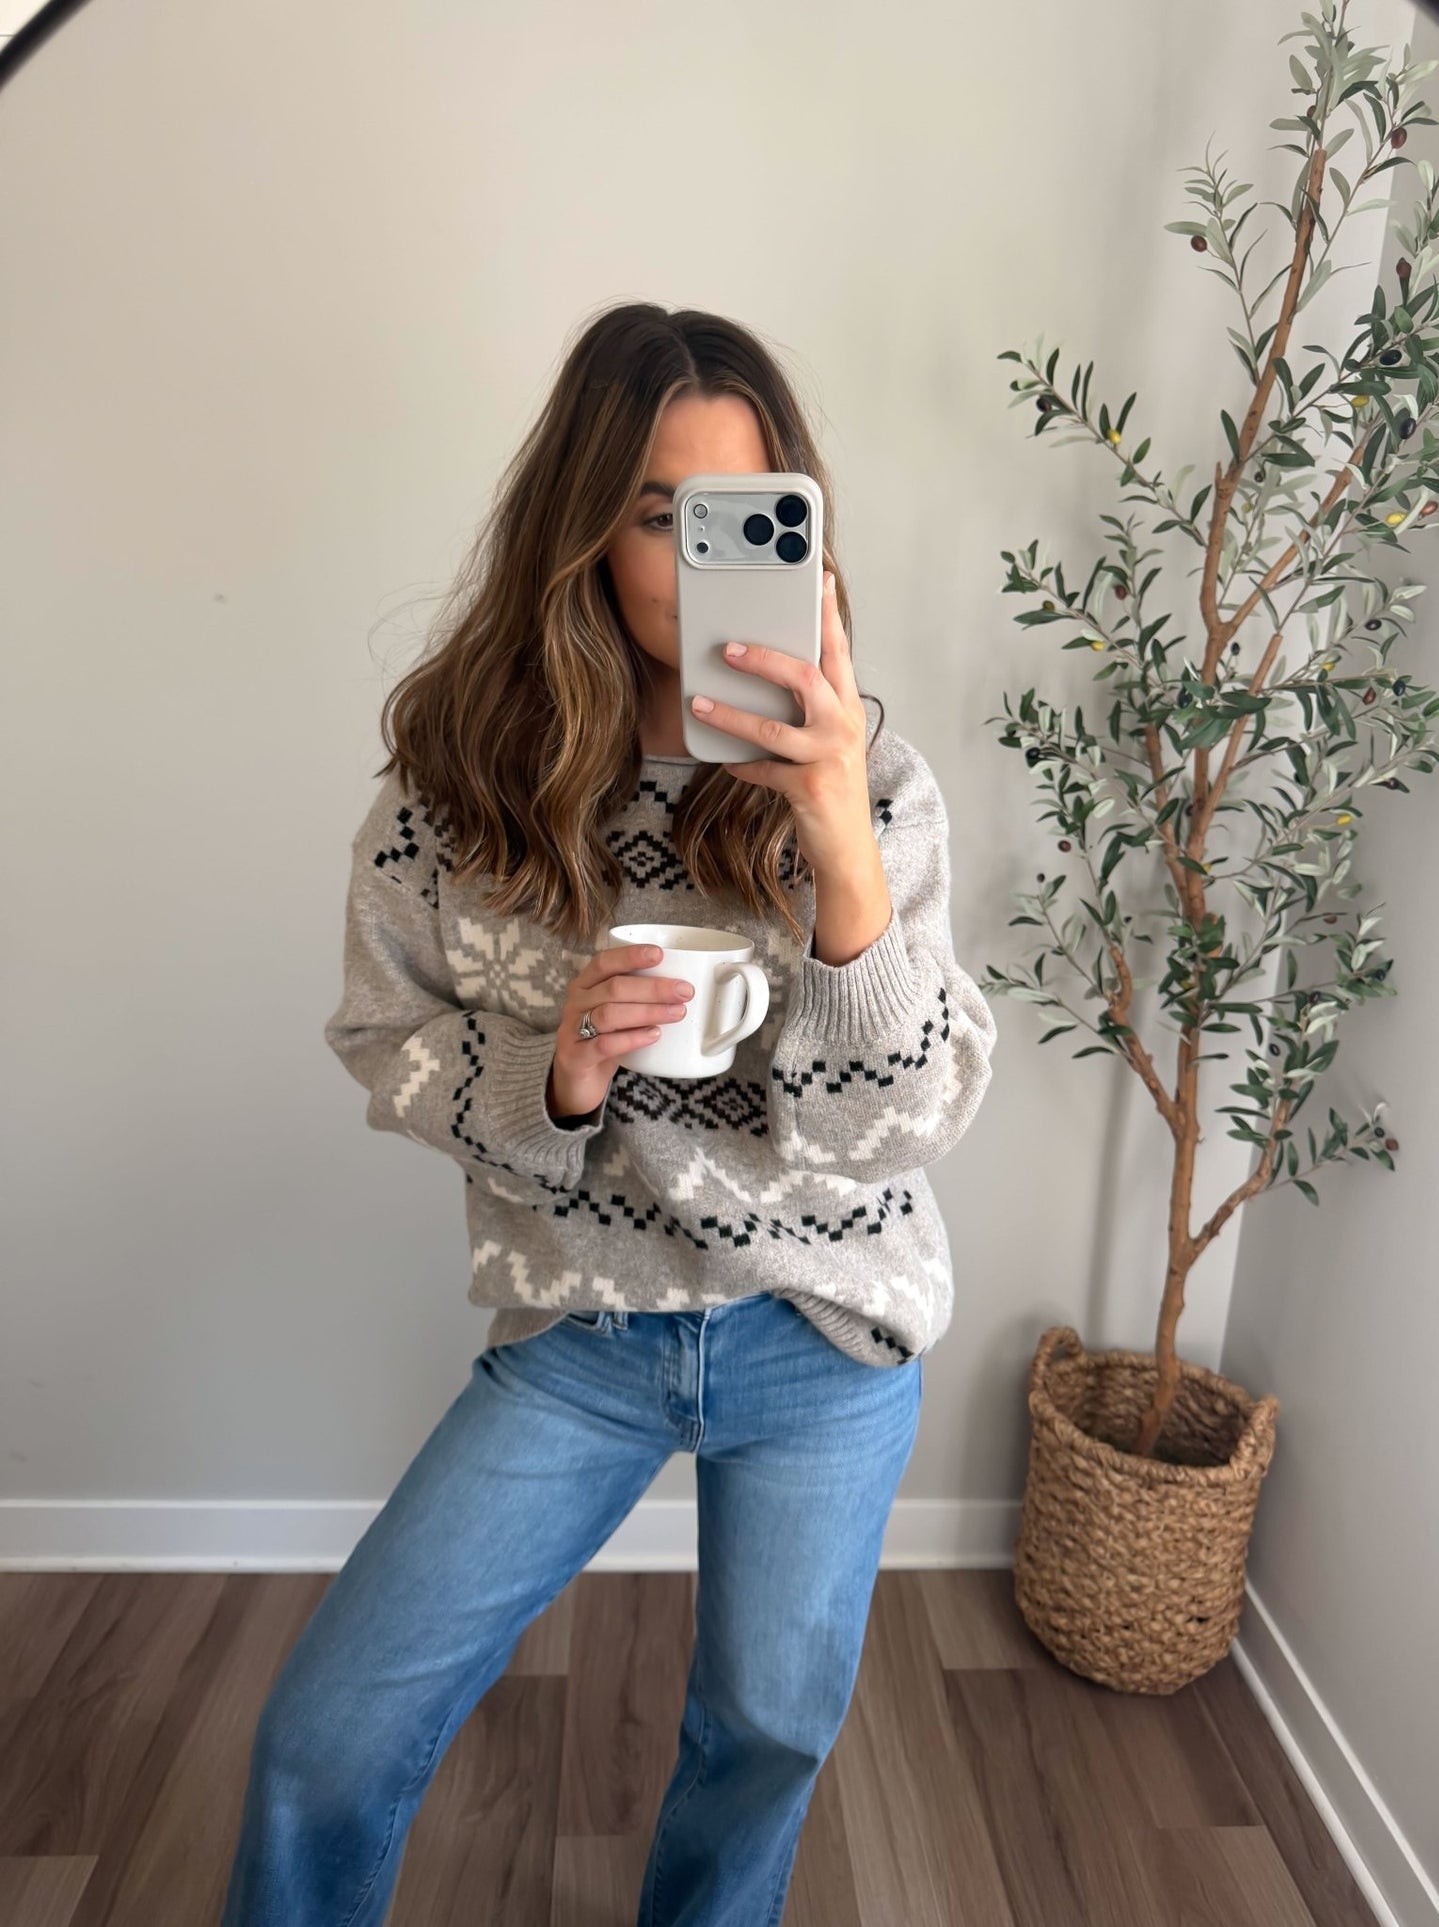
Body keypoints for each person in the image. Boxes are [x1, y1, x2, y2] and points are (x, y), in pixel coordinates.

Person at [219, 300, 997, 1927]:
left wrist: (840, 847)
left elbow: (892, 1133)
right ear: (582, 517)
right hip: (579, 1333)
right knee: (328, 1739)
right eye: (661, 512)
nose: (703, 559)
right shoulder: (460, 788)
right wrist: (553, 1078)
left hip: (820, 1333)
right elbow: (383, 1034)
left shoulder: (873, 785)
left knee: (763, 1738)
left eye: (749, 515)